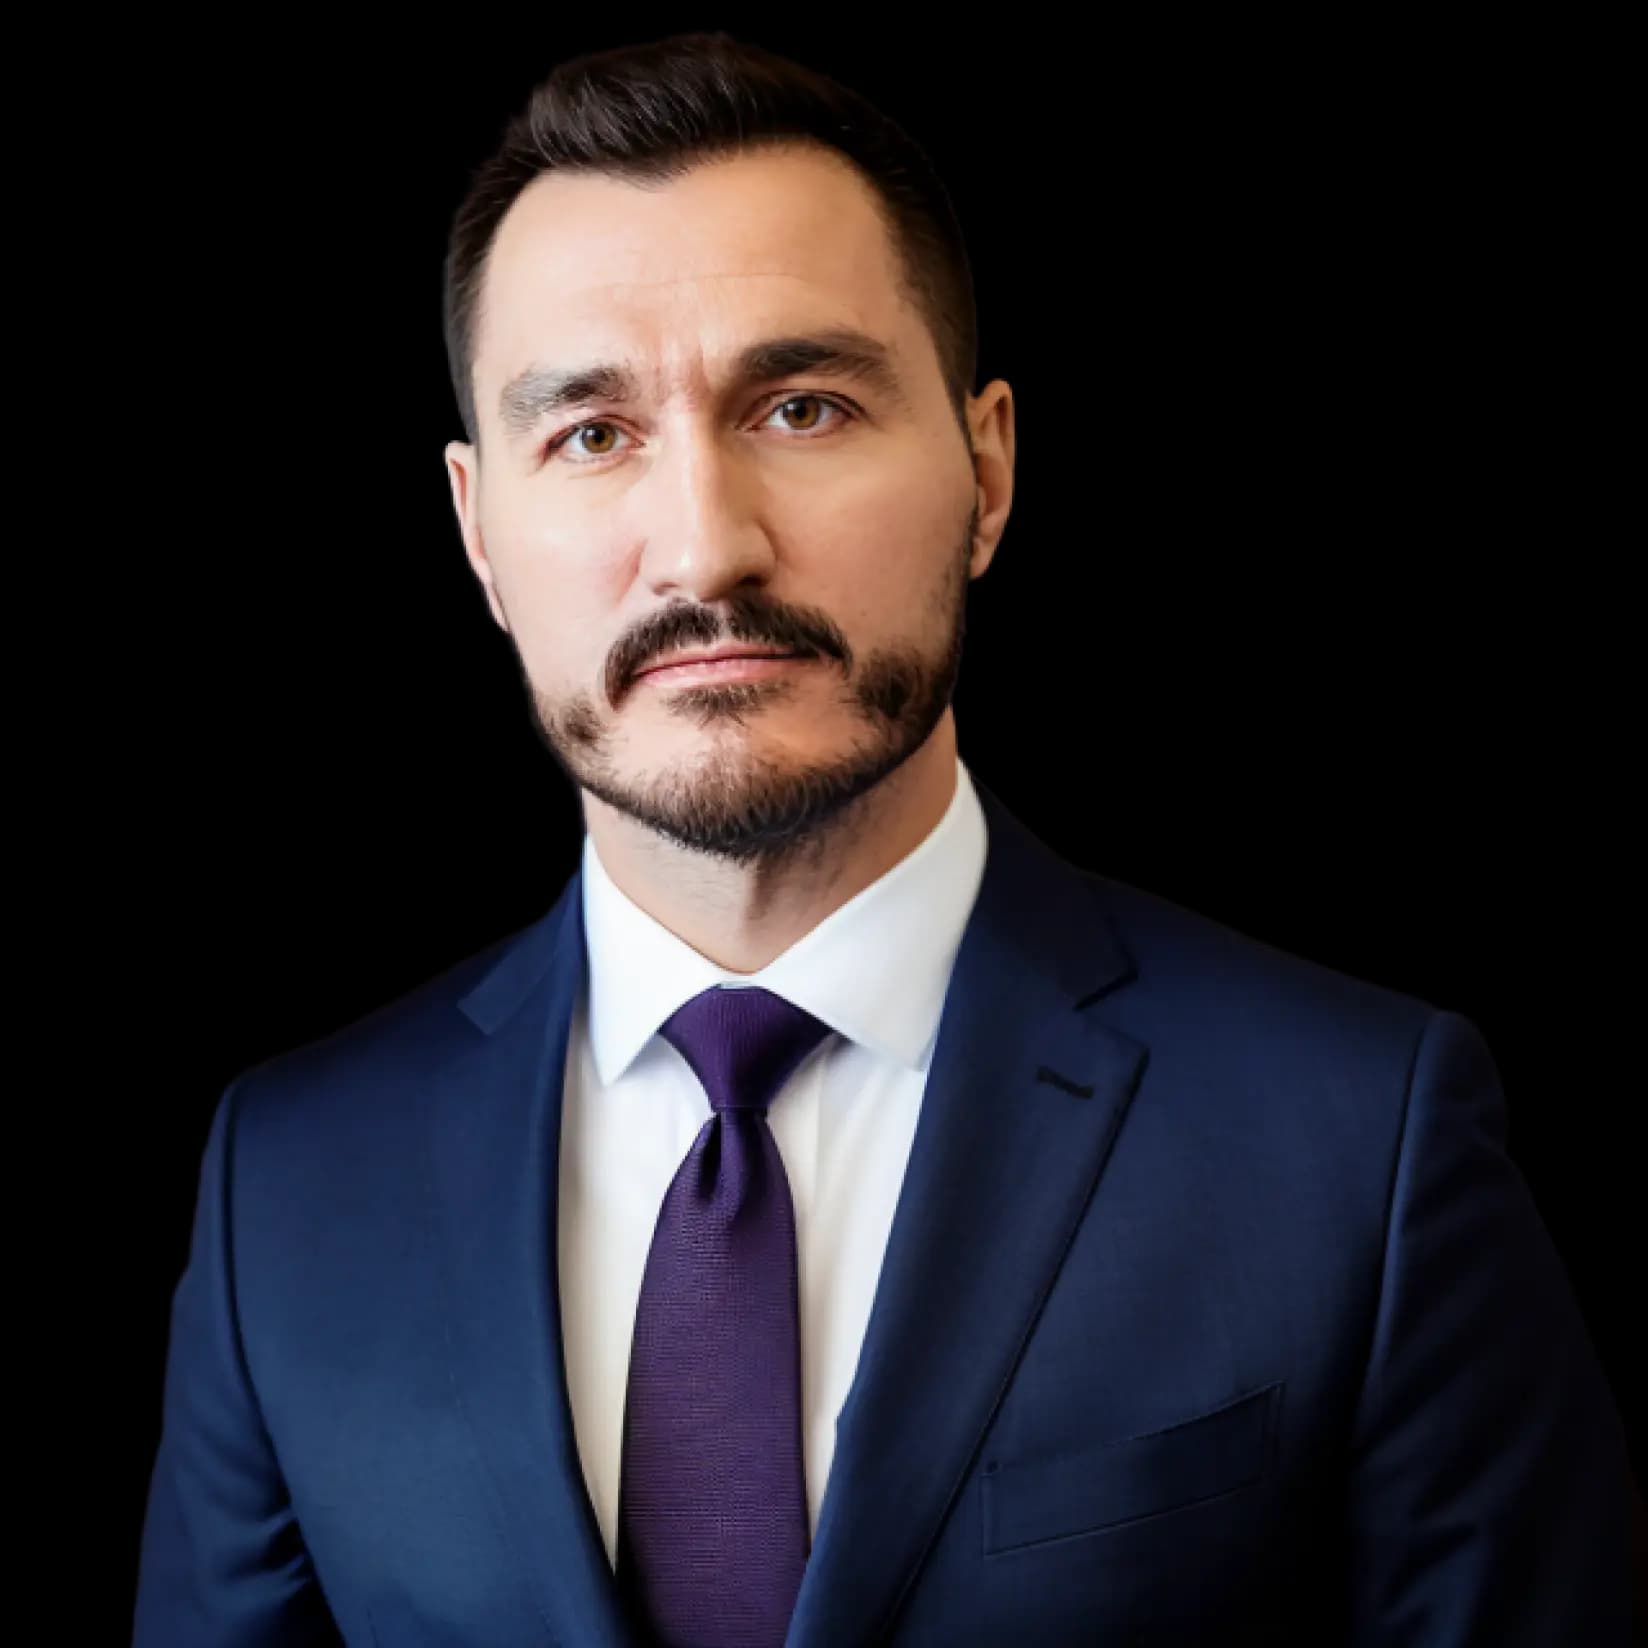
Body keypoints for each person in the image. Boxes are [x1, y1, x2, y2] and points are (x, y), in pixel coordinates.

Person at [132, 29, 1639, 1647]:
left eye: (801, 405)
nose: (706, 542)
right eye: (590, 432)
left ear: (987, 468)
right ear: (479, 531)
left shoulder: (1362, 1141)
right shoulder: (285, 1187)